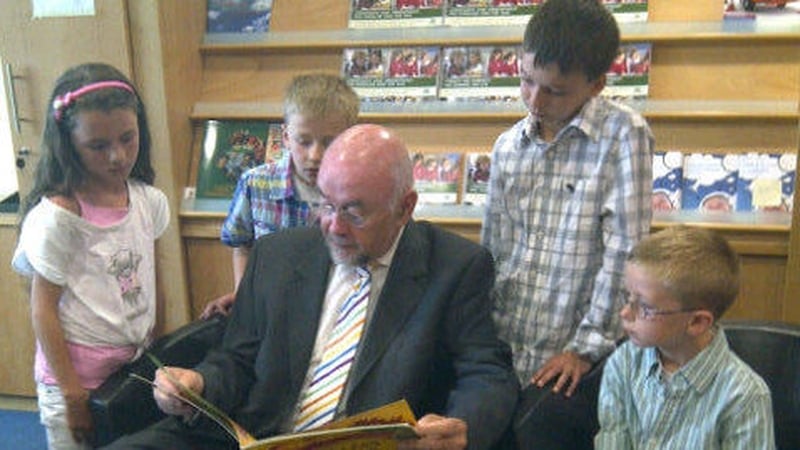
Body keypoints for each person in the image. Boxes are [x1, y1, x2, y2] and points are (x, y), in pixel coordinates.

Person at [103, 124, 519, 450]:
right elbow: (237, 359)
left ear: (404, 207)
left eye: (354, 212)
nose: (333, 227)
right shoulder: (276, 255)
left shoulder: (455, 267)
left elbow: (487, 372)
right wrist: (199, 383)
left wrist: (464, 425)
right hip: (253, 434)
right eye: (325, 204)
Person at [481, 0, 653, 447]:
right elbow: (494, 247)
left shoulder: (623, 135)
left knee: (543, 431)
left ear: (597, 84)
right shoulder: (507, 147)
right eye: (525, 81)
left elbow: (626, 251)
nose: (535, 100)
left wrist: (585, 348)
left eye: (555, 91)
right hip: (507, 343)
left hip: (578, 350)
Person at [11, 62, 169, 450]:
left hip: (132, 370)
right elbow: (42, 310)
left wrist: (160, 353)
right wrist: (73, 397)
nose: (117, 156)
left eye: (127, 139)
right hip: (75, 383)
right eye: (98, 146)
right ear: (68, 144)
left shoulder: (148, 201)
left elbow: (154, 280)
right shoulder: (60, 217)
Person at [595, 225, 775, 449]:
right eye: (627, 297)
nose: (625, 313)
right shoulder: (623, 364)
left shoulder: (744, 397)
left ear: (697, 322)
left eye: (644, 307)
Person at [201, 74, 359, 319]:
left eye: (329, 142)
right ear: (286, 137)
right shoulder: (255, 183)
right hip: (273, 311)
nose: (315, 155)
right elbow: (243, 246)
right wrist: (245, 296)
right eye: (303, 141)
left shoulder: (360, 189)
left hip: (336, 313)